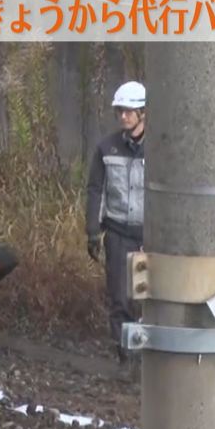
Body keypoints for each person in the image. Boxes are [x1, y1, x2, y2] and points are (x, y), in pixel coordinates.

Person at [85, 81, 146, 367]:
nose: (123, 116)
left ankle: (148, 353)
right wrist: (92, 232)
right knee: (119, 296)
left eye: (129, 111)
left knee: (148, 296)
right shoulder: (106, 148)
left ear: (142, 113)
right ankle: (125, 354)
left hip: (150, 235)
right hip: (119, 231)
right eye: (120, 111)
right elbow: (95, 189)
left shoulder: (160, 149)